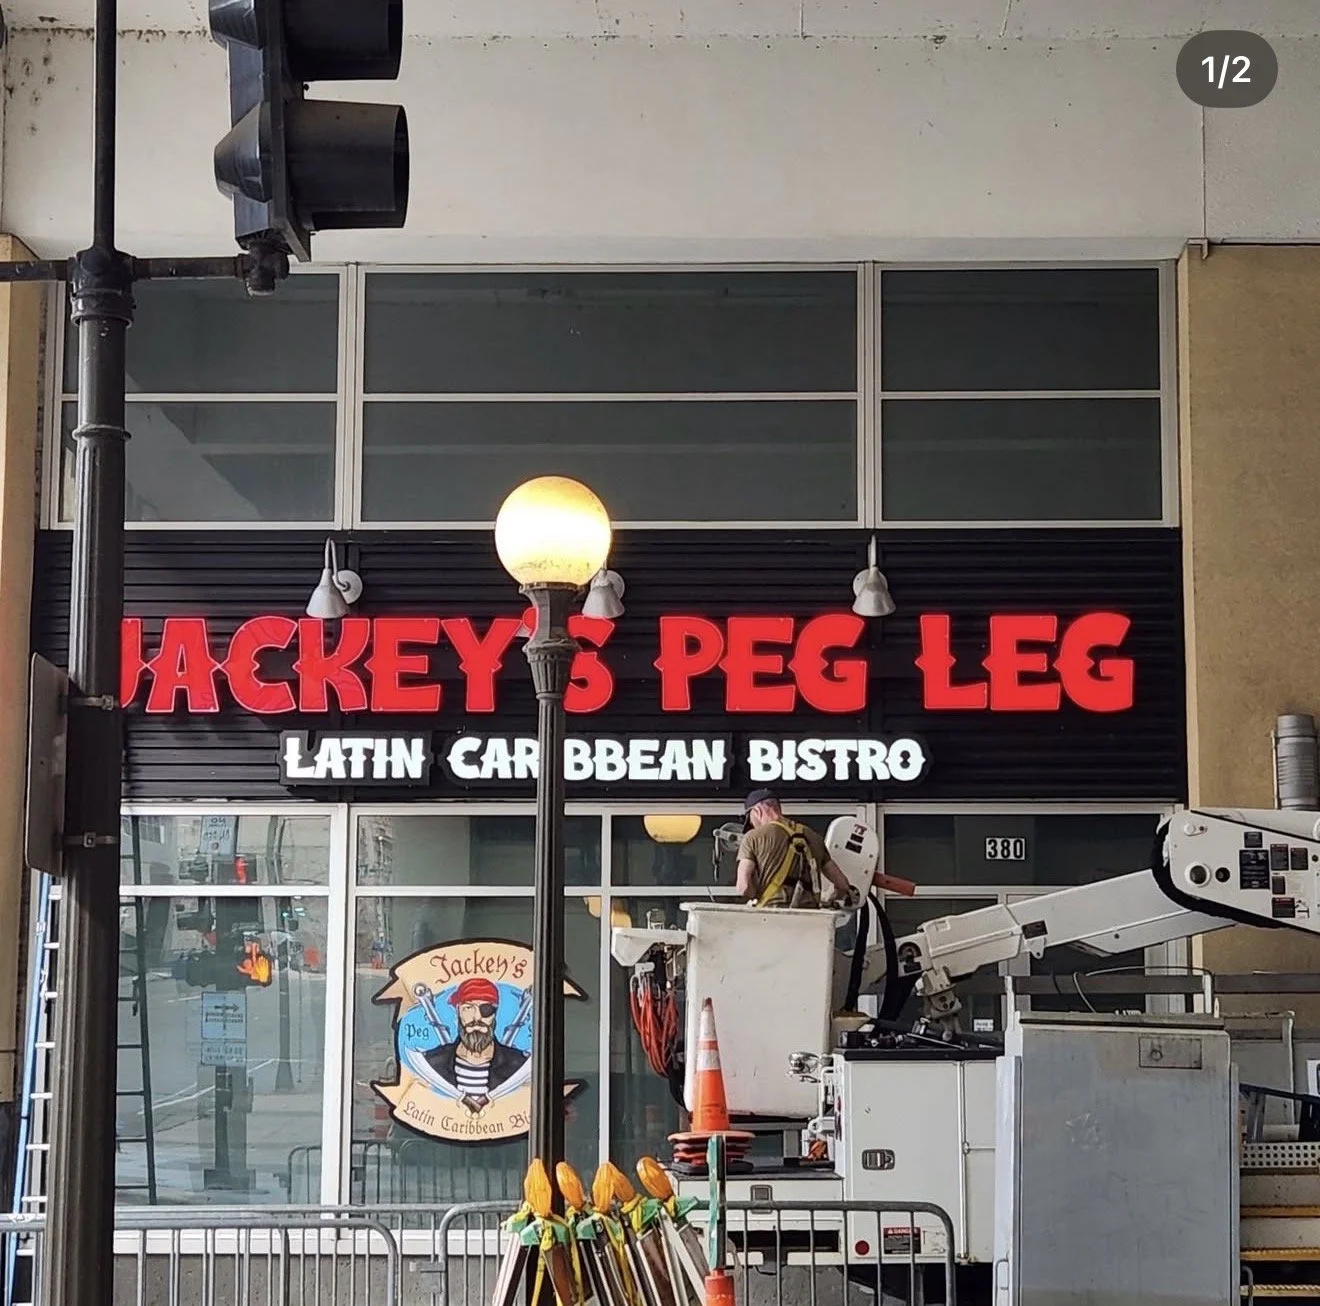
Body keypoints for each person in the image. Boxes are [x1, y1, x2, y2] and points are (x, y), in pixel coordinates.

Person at [736, 789, 859, 909]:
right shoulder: (813, 836)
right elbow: (842, 884)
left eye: (750, 820)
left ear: (756, 811)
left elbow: (743, 887)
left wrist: (755, 896)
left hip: (771, 917)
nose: (752, 825)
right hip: (809, 917)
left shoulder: (753, 837)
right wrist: (829, 899)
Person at [424, 976, 527, 1112]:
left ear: (495, 1014)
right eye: (468, 1008)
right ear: (458, 1011)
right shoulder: (433, 1064)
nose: (477, 1017)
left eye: (486, 1009)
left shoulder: (518, 1065)